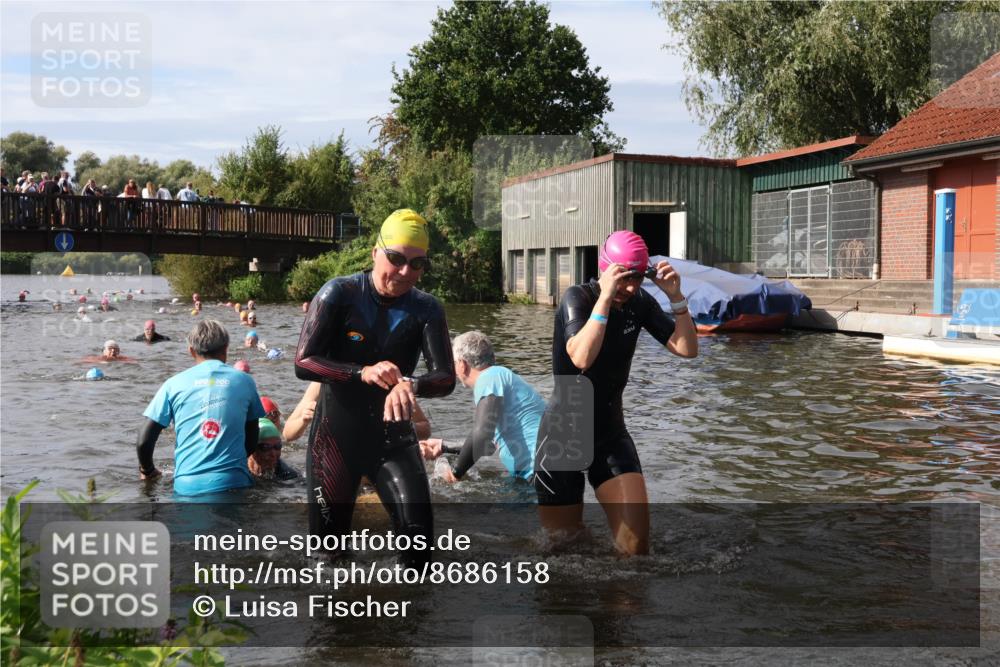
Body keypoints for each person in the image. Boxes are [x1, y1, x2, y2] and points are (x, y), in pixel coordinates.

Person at [294, 208, 455, 567]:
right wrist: (360, 373)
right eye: (396, 259)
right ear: (375, 252)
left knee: (420, 557)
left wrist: (410, 384)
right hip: (335, 443)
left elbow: (445, 378)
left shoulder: (426, 308)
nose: (404, 272)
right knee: (327, 561)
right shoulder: (339, 293)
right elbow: (303, 362)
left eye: (417, 265)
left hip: (393, 442)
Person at [533, 230, 698, 556]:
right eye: (623, 277)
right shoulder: (576, 298)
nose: (631, 287)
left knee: (636, 549)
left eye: (638, 278)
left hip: (610, 433)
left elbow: (687, 349)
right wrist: (605, 298)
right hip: (562, 437)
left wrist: (676, 299)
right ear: (606, 269)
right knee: (564, 549)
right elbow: (581, 357)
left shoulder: (639, 304)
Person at [136, 319, 265, 495]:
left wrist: (148, 470)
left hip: (186, 486)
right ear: (226, 348)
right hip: (233, 482)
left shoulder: (173, 384)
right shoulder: (244, 381)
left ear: (191, 351)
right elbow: (251, 441)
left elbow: (144, 440)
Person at [419, 331, 544, 484]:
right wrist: (443, 446)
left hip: (539, 472)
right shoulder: (499, 377)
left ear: (462, 364)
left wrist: (455, 473)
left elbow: (482, 434)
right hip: (542, 471)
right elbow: (489, 445)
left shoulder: (489, 377)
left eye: (453, 363)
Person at [283, 381, 432, 443]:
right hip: (338, 464)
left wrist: (398, 427)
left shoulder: (388, 381)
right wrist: (303, 420)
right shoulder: (323, 383)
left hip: (378, 468)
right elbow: (287, 434)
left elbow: (424, 428)